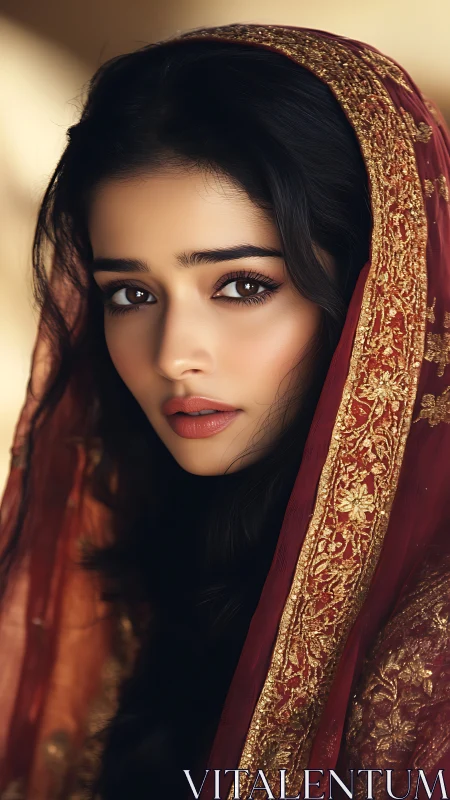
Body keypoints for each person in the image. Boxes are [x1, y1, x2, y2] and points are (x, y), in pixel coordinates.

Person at [0, 21, 449, 800]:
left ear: (378, 298)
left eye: (242, 285)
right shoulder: (154, 562)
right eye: (130, 295)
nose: (174, 354)